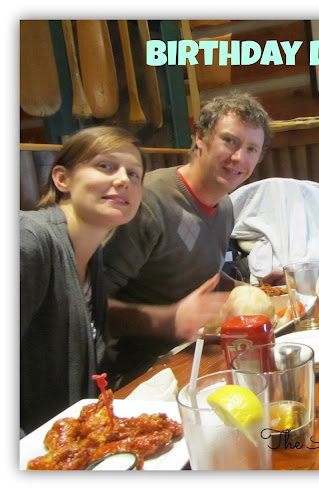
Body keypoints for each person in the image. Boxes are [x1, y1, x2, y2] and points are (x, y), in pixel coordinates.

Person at [102, 92, 274, 377]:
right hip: (140, 372)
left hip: (198, 355)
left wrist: (259, 290)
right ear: (200, 137)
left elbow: (201, 275)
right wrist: (168, 320)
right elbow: (86, 303)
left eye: (251, 149)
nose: (239, 158)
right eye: (229, 141)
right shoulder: (149, 202)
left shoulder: (225, 207)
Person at [20, 126, 145, 435]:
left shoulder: (92, 256)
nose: (123, 180)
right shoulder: (28, 240)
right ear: (62, 179)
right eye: (105, 166)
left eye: (134, 174)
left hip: (66, 439)